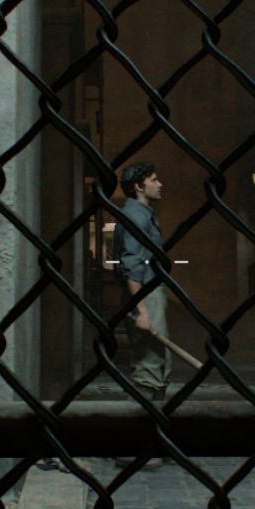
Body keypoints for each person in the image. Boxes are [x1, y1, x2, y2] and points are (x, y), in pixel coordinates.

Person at [112, 162, 168, 402]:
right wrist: (142, 310)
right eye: (154, 180)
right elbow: (132, 266)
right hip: (145, 294)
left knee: (157, 363)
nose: (160, 184)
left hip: (150, 292)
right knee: (149, 365)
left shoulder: (143, 214)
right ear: (138, 186)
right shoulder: (135, 216)